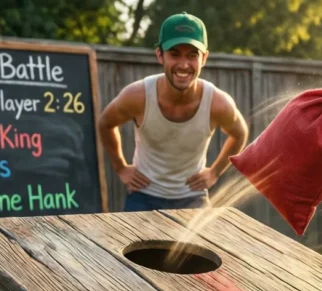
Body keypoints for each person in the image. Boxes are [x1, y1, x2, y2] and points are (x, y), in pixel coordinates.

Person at [97, 12, 248, 211]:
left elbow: (240, 133)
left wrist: (214, 172)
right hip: (144, 196)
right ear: (160, 55)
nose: (184, 64)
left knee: (204, 244)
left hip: (193, 198)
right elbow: (105, 123)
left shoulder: (217, 103)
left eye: (192, 55)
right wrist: (121, 168)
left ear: (204, 58)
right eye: (174, 54)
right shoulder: (138, 95)